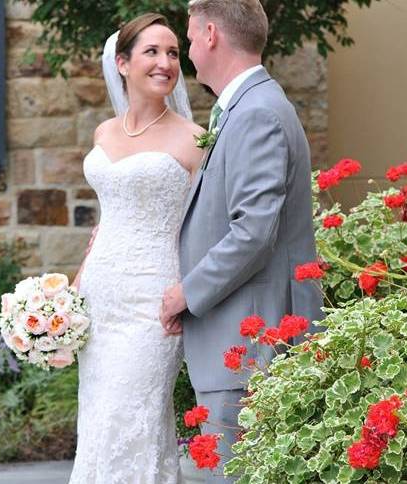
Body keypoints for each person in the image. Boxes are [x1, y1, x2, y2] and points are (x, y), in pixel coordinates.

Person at [159, 0, 324, 482]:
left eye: (188, 38)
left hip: (251, 342)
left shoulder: (256, 113)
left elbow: (253, 231)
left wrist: (186, 293)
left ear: (211, 34)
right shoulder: (243, 108)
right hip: (241, 339)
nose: (187, 50)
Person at [68, 12, 205, 484]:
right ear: (122, 63)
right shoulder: (104, 133)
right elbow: (108, 216)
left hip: (153, 301)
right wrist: (72, 287)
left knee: (135, 422)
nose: (166, 62)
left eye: (172, 53)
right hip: (98, 298)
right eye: (152, 52)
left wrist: (187, 290)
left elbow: (206, 227)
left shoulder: (193, 140)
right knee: (97, 422)